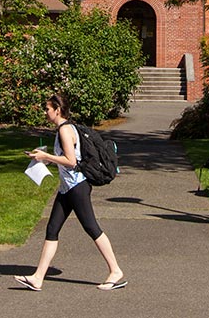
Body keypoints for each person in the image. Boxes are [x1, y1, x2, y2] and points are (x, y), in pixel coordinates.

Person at [14, 94, 127, 292]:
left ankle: (115, 271)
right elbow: (67, 158)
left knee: (92, 228)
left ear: (57, 110)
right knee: (52, 229)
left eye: (47, 109)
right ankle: (38, 277)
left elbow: (71, 161)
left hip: (77, 187)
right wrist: (43, 159)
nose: (45, 112)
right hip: (67, 188)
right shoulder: (64, 129)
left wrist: (46, 156)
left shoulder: (66, 130)